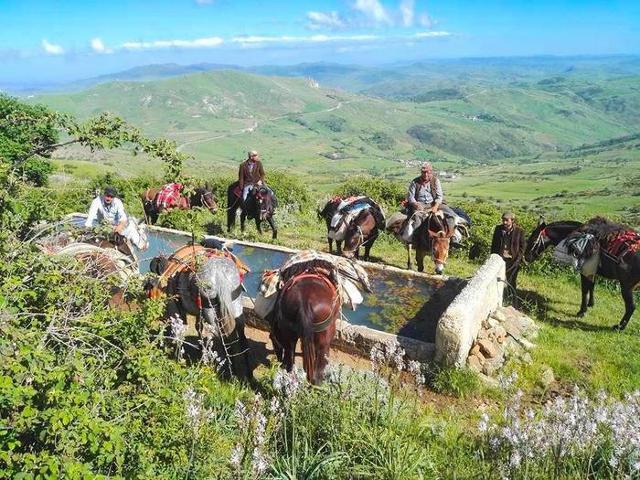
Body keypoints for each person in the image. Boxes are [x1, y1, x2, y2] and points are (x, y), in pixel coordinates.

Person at [491, 211, 526, 307]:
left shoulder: (520, 231)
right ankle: (496, 300)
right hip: (499, 259)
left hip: (512, 261)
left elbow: (523, 247)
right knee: (496, 280)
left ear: (512, 221)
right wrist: (493, 257)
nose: (504, 222)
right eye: (503, 220)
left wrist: (518, 260)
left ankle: (512, 302)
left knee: (511, 282)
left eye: (506, 220)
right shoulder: (498, 229)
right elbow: (494, 244)